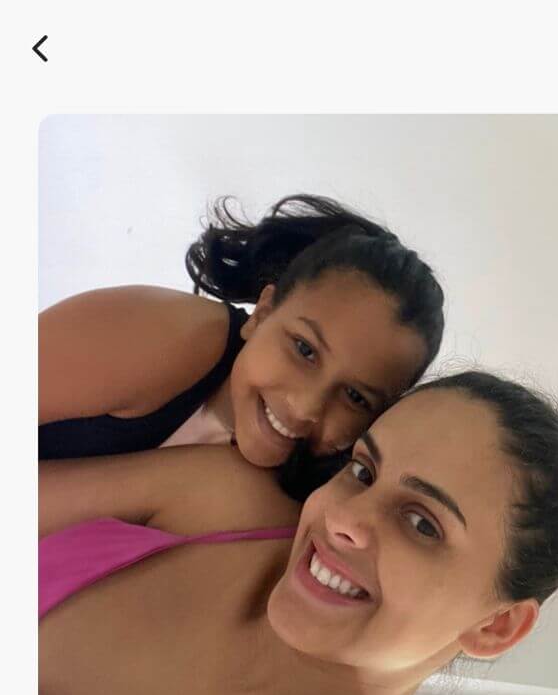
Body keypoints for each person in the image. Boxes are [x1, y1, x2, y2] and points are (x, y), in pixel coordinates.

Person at [39, 371, 558, 695]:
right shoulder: (218, 502)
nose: (343, 518)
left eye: (423, 523)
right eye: (363, 471)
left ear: (496, 626)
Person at [38, 194, 445, 499]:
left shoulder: (300, 501)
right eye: (305, 350)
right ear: (263, 314)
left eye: (356, 397)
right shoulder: (170, 337)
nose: (306, 408)